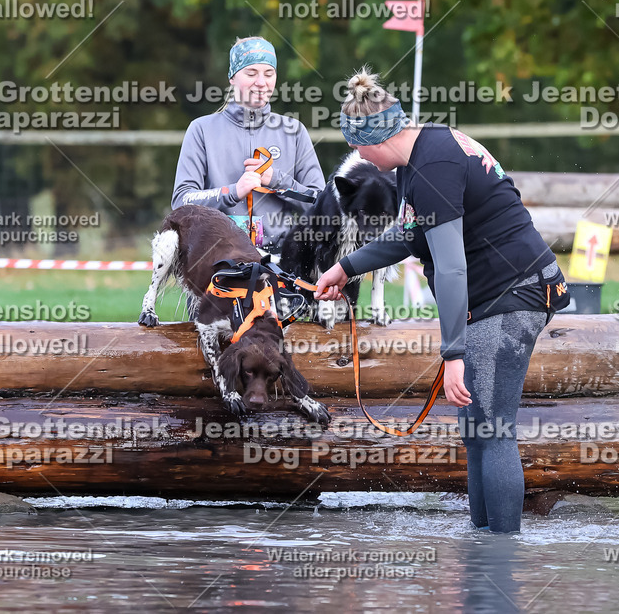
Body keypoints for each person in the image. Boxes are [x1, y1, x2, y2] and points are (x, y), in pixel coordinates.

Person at [314, 67, 570, 533]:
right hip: (496, 295)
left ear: (376, 139)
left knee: (491, 430)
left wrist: (452, 354)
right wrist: (345, 267)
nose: (355, 154)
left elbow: (451, 266)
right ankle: (480, 548)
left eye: (355, 144)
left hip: (514, 293)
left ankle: (500, 564)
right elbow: (410, 237)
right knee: (476, 431)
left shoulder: (431, 167)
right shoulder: (422, 153)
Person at [172, 36, 326, 255]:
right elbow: (181, 202)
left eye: (269, 73)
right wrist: (233, 191)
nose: (261, 82)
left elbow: (320, 204)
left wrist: (278, 181)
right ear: (232, 78)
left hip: (281, 264)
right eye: (251, 73)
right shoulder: (201, 130)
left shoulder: (294, 131)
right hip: (215, 261)